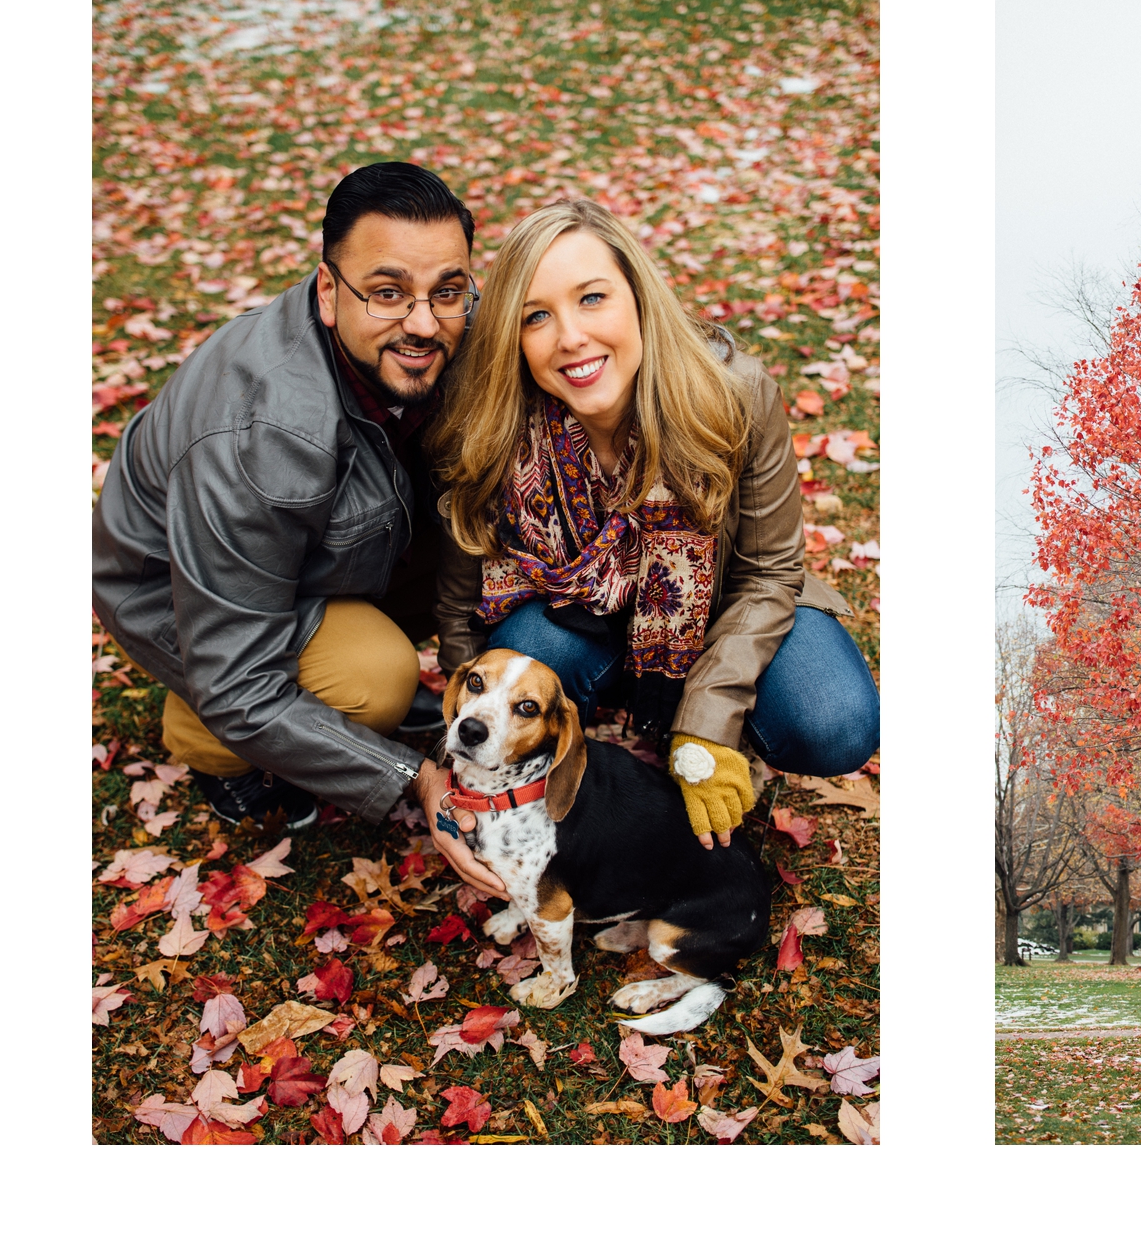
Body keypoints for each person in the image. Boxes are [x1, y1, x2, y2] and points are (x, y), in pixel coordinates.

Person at [425, 198, 878, 890]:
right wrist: (466, 741)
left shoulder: (734, 392)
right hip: (581, 623)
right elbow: (460, 604)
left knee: (833, 719)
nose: (571, 337)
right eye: (536, 316)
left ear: (637, 296)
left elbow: (769, 571)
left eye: (593, 298)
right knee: (525, 650)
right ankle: (606, 734)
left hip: (725, 611)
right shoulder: (495, 420)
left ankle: (693, 725)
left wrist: (706, 719)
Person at [93, 162, 478, 830]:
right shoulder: (258, 435)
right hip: (176, 593)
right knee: (374, 679)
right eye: (386, 292)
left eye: (447, 290)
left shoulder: (448, 325)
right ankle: (212, 747)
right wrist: (410, 779)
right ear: (328, 291)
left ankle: (323, 672)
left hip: (331, 544)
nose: (423, 323)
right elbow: (238, 681)